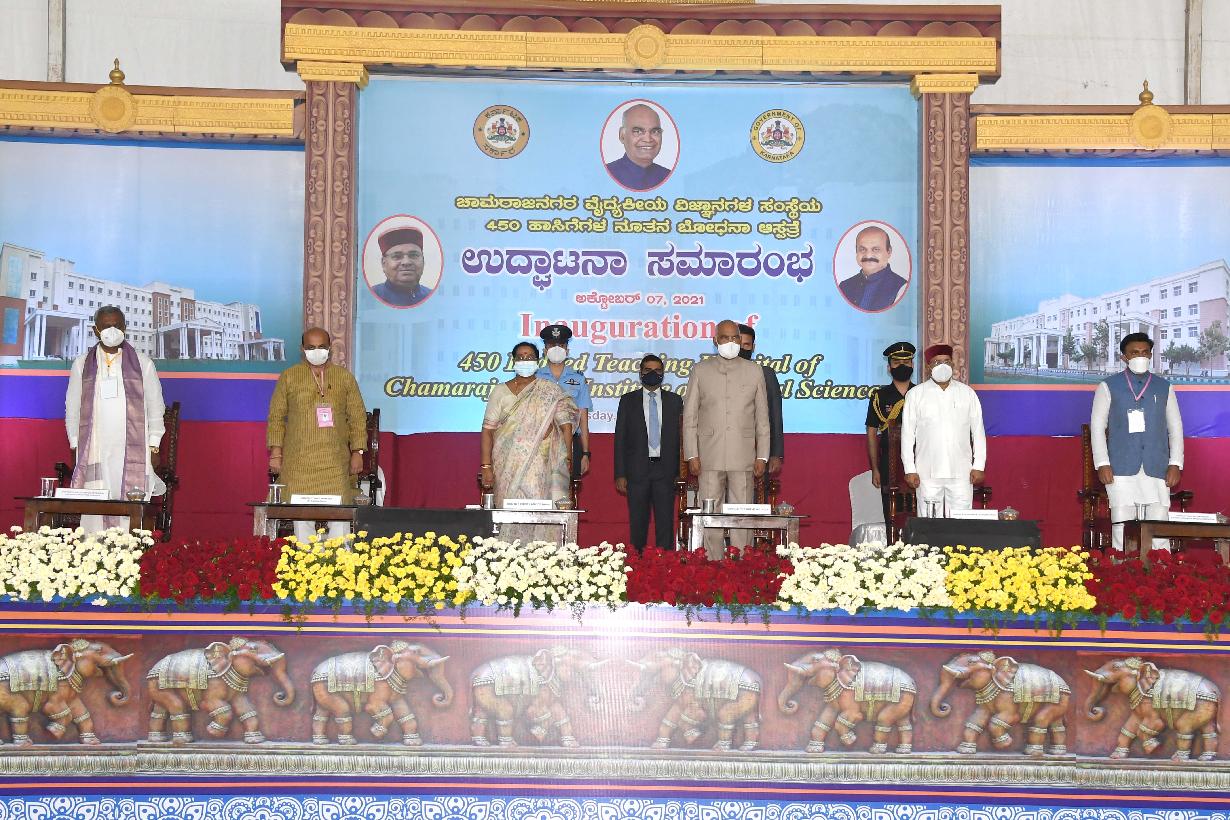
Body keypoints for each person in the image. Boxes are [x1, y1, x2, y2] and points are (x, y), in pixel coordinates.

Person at [65, 306, 166, 533]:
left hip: (132, 447)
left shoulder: (143, 363)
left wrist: (154, 445)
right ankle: (94, 551)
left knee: (131, 503)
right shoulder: (82, 364)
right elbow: (72, 408)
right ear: (95, 330)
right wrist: (74, 444)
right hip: (95, 447)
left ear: (125, 328)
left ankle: (129, 552)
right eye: (106, 326)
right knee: (94, 508)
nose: (112, 330)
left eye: (117, 325)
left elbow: (155, 407)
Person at [267, 327, 368, 541]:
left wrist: (357, 452)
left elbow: (358, 417)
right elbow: (276, 417)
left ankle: (338, 560)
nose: (316, 351)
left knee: (340, 517)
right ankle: (305, 560)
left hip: (335, 463)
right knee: (301, 517)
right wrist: (276, 453)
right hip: (298, 463)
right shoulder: (289, 377)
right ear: (302, 349)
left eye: (321, 346)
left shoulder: (344, 377)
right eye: (311, 347)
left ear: (330, 348)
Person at [683, 319, 770, 557]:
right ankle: (714, 563)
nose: (730, 343)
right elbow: (690, 417)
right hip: (708, 455)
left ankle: (741, 562)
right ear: (715, 341)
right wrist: (692, 454)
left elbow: (762, 418)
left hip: (744, 455)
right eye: (725, 338)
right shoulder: (700, 370)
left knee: (742, 513)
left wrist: (762, 455)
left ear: (740, 341)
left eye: (734, 338)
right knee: (710, 513)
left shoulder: (754, 371)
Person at [1090, 332, 1183, 552]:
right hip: (1120, 467)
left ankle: (1161, 568)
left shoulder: (1165, 387)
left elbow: (1175, 428)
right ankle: (1120, 569)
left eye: (1144, 352)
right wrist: (1102, 463)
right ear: (1124, 357)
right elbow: (1097, 427)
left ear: (1150, 355)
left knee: (1159, 525)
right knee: (1122, 525)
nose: (1140, 356)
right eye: (1134, 353)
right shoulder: (1107, 386)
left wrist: (1175, 464)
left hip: (1157, 466)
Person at [480, 341, 576, 543]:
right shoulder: (500, 391)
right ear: (513, 361)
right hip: (506, 465)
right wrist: (486, 466)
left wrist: (567, 456)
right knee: (508, 513)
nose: (525, 360)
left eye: (530, 357)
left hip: (539, 464)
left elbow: (566, 425)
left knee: (537, 512)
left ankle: (538, 556)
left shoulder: (550, 390)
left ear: (538, 361)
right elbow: (488, 430)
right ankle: (507, 557)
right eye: (521, 357)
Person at [900, 344, 985, 517]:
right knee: (929, 524)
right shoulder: (915, 394)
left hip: (962, 471)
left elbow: (978, 432)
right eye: (937, 362)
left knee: (961, 523)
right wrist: (909, 469)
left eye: (946, 361)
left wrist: (979, 465)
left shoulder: (967, 393)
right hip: (926, 472)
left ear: (953, 364)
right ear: (928, 367)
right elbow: (907, 435)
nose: (943, 366)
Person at [614, 354, 683, 552]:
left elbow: (681, 439)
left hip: (666, 471)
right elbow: (620, 439)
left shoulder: (675, 400)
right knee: (638, 524)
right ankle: (637, 563)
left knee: (665, 524)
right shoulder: (628, 400)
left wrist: (681, 471)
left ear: (663, 374)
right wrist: (620, 474)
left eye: (657, 370)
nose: (653, 373)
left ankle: (666, 564)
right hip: (637, 472)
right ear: (640, 373)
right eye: (648, 370)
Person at [864, 341, 916, 526]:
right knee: (891, 515)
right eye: (896, 363)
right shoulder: (880, 396)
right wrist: (875, 468)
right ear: (889, 368)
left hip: (919, 462)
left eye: (906, 362)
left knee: (918, 514)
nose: (902, 366)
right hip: (889, 464)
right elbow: (871, 432)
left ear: (912, 365)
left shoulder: (922, 394)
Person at [536, 324, 591, 482]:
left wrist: (585, 453)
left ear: (567, 350)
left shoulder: (578, 379)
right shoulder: (535, 377)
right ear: (545, 350)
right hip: (540, 442)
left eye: (560, 345)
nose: (556, 349)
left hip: (571, 442)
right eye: (552, 345)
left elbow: (583, 420)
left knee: (567, 490)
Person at [738, 323, 784, 475]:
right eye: (738, 344)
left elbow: (775, 415)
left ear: (753, 347)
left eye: (746, 345)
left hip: (758, 452)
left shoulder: (765, 374)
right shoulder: (715, 373)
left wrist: (776, 454)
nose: (742, 349)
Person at [838, 226, 908, 312]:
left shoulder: (902, 288)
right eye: (862, 249)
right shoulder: (844, 286)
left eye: (876, 249)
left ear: (889, 252)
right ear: (856, 252)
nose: (868, 256)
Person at [604, 104, 672, 192]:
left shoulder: (668, 176)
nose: (648, 139)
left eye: (655, 131)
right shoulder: (606, 174)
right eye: (638, 131)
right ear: (622, 136)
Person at [372, 226, 433, 307]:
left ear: (423, 260)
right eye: (397, 256)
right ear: (384, 263)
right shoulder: (372, 296)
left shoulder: (432, 296)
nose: (406, 262)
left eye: (413, 255)